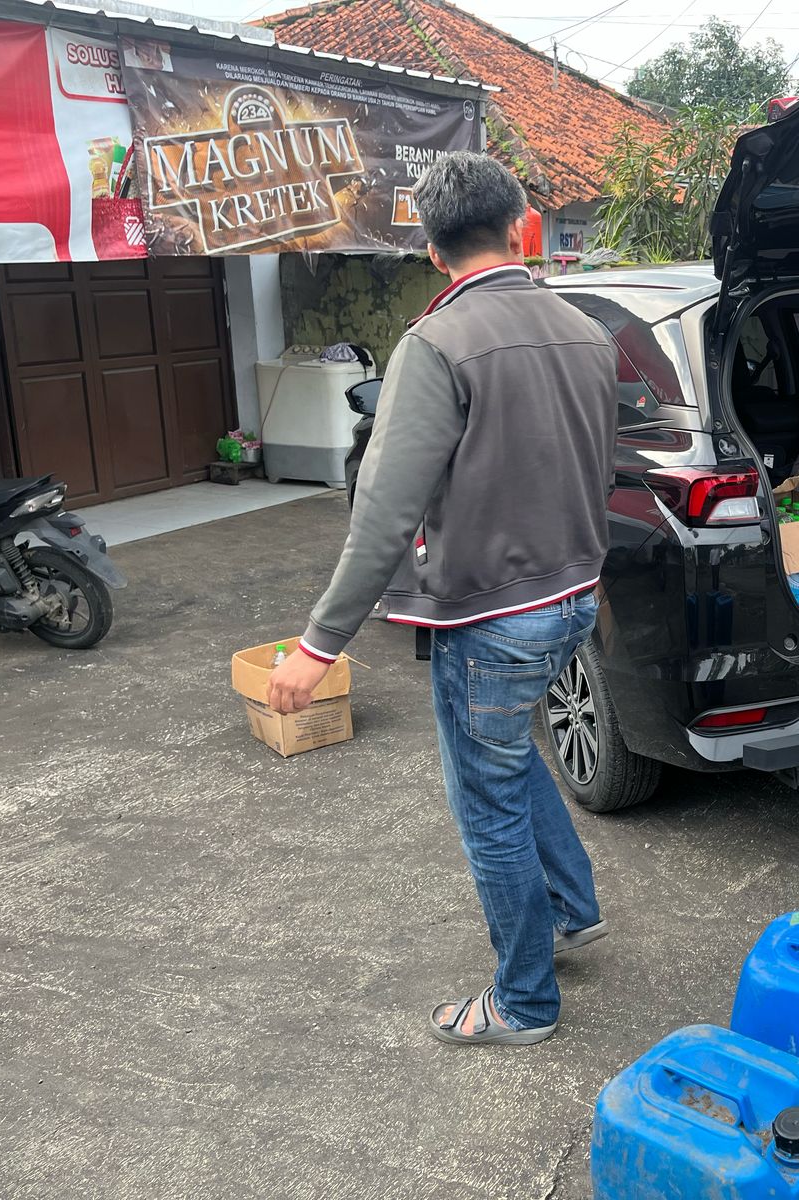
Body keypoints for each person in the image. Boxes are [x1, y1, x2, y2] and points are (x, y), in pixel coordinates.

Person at [267, 152, 619, 1045]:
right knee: (506, 758)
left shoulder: (436, 344)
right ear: (521, 229)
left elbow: (383, 510)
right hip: (574, 600)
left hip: (494, 619)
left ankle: (524, 1002)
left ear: (431, 249)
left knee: (486, 803)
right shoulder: (587, 331)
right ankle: (572, 909)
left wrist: (319, 644)